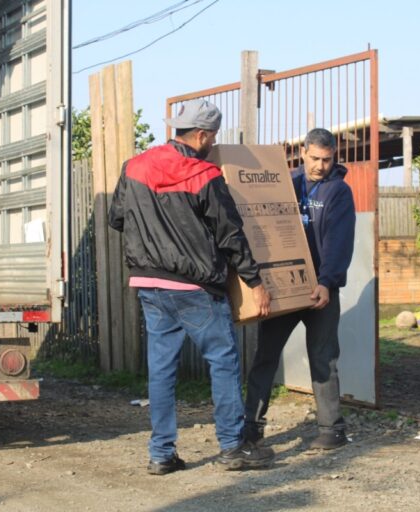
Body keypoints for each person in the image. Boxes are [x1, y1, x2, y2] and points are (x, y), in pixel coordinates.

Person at [109, 99, 274, 475]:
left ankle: (161, 454)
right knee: (222, 361)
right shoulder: (206, 176)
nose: (213, 145)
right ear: (200, 135)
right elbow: (231, 235)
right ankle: (232, 448)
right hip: (196, 288)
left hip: (149, 285)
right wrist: (255, 281)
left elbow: (116, 218)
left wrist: (152, 236)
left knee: (162, 369)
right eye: (212, 138)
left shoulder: (134, 166)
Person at [243, 128, 356, 450]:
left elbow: (339, 241)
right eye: (315, 158)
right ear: (303, 153)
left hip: (319, 289)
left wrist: (327, 282)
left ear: (333, 157)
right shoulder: (286, 184)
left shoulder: (338, 192)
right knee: (265, 356)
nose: (320, 165)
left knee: (323, 358)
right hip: (283, 287)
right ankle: (251, 427)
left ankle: (331, 429)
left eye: (327, 159)